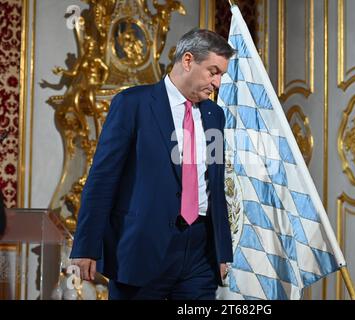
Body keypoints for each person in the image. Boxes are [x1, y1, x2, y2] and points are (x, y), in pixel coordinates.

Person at [70, 28, 235, 300]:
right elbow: (102, 179)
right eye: (213, 72)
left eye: (221, 75)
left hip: (200, 254)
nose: (217, 83)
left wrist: (222, 251)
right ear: (187, 60)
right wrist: (85, 247)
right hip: (142, 248)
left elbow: (215, 186)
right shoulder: (133, 104)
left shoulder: (214, 114)